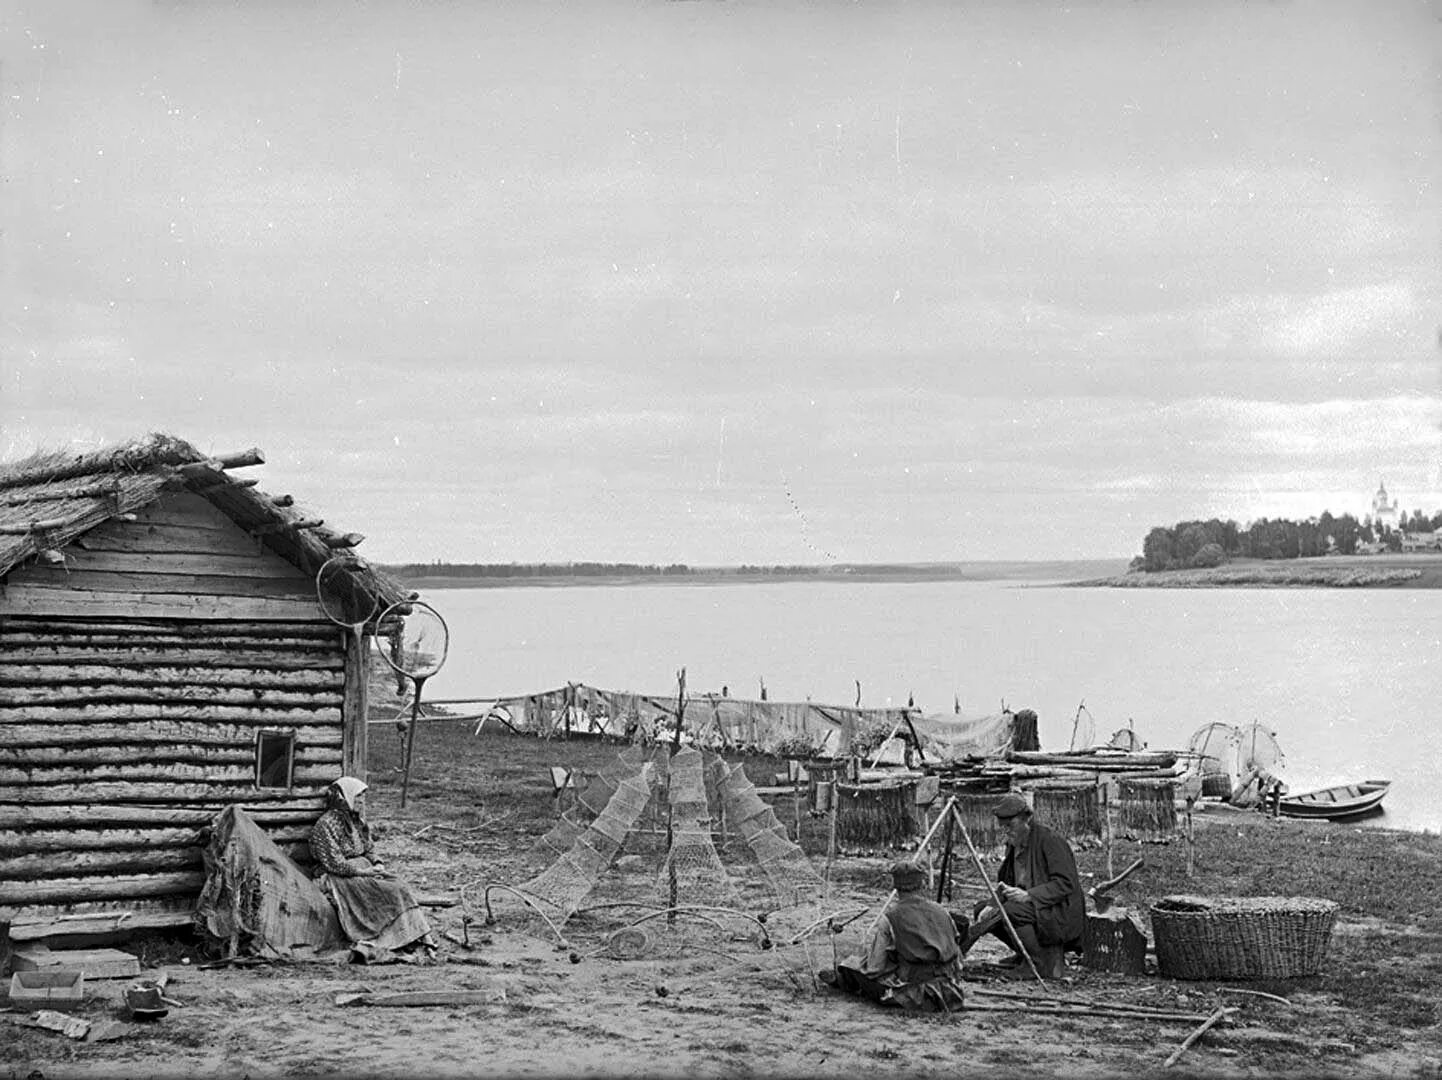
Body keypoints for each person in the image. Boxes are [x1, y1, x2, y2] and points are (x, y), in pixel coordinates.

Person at [310, 776, 435, 960]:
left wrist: (377, 863)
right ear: (345, 797)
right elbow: (334, 862)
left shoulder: (357, 822)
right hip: (339, 876)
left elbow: (369, 848)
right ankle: (386, 939)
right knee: (389, 891)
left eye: (362, 797)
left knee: (399, 885)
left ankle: (420, 935)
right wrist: (362, 872)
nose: (361, 802)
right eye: (358, 797)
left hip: (365, 869)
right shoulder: (325, 825)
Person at [963, 793, 1084, 978]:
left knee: (1011, 911)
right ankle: (1024, 954)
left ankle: (1037, 963)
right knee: (985, 911)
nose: (1006, 832)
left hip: (1058, 911)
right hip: (1035, 909)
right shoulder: (1015, 843)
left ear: (1026, 820)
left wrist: (1029, 896)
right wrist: (991, 905)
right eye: (1002, 828)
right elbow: (1008, 884)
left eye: (1010, 826)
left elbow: (1066, 884)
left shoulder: (1050, 840)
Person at [830, 859, 965, 1012]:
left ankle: (841, 979)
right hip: (950, 992)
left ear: (894, 885)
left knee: (850, 965)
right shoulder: (943, 912)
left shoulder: (890, 918)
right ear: (922, 884)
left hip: (913, 994)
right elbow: (959, 961)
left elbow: (875, 968)